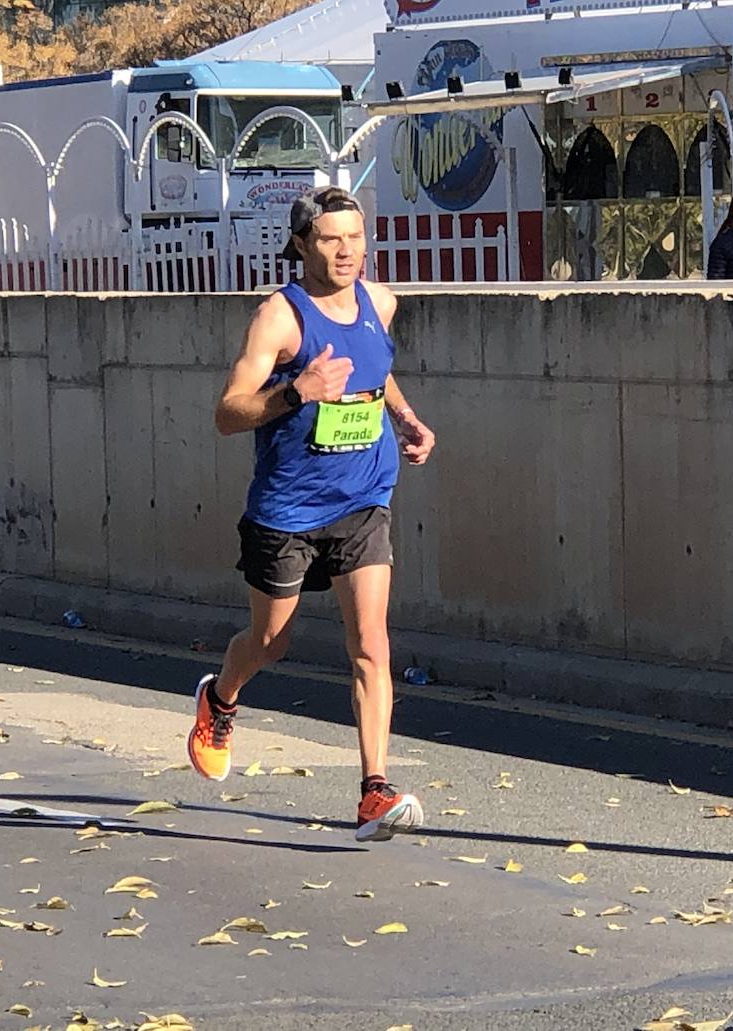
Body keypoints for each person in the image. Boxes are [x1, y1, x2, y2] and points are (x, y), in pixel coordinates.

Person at [189, 185, 437, 843]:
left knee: (372, 644)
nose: (348, 250)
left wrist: (406, 419)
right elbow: (226, 412)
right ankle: (221, 697)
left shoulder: (379, 303)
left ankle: (372, 791)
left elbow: (375, 374)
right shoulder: (280, 317)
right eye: (332, 239)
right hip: (288, 510)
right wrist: (294, 391)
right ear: (301, 244)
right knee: (272, 641)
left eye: (355, 237)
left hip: (362, 500)